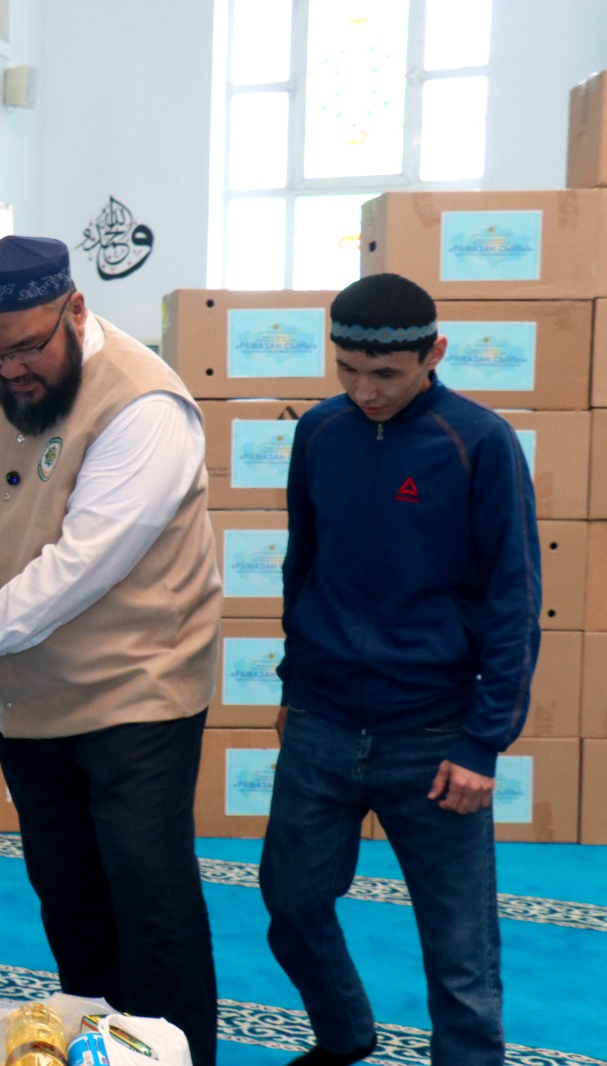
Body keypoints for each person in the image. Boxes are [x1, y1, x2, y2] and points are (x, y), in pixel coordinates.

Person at [0, 235, 223, 1065]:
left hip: (136, 699)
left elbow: (77, 568)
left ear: (76, 310)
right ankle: (100, 1052)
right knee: (70, 903)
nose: (11, 370)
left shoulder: (144, 405)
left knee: (150, 904)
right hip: (32, 700)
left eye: (28, 348)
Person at [259, 273, 541, 1066]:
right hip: (321, 722)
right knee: (290, 906)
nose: (365, 391)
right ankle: (345, 1035)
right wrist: (293, 683)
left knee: (459, 956)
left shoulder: (479, 442)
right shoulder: (320, 432)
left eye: (384, 374)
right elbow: (302, 567)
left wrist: (485, 741)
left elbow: (514, 596)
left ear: (434, 354)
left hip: (436, 735)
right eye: (347, 370)